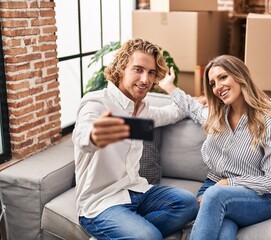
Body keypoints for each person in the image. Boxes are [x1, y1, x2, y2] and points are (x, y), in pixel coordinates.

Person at [72, 38, 198, 240]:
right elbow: (82, 136)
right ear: (121, 68)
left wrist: (194, 103)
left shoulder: (143, 109)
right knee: (149, 237)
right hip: (101, 202)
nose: (145, 80)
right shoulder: (96, 102)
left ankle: (126, 232)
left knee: (188, 203)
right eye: (138, 70)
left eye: (151, 73)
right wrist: (94, 136)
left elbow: (170, 113)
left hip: (136, 189)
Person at [159, 55, 271, 240]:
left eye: (223, 77)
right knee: (224, 232)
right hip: (213, 188)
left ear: (239, 75)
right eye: (212, 83)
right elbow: (192, 108)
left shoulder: (268, 122)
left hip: (254, 197)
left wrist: (229, 183)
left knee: (215, 196)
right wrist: (169, 86)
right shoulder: (216, 117)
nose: (218, 87)